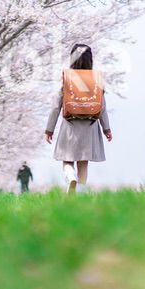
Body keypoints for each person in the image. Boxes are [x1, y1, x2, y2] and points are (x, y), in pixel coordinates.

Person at [45, 44, 113, 193]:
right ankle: (81, 192)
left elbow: (56, 106)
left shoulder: (67, 78)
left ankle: (71, 177)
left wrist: (49, 129)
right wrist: (106, 129)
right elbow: (102, 107)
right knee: (83, 162)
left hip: (70, 125)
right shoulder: (96, 80)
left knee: (67, 160)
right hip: (90, 126)